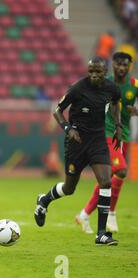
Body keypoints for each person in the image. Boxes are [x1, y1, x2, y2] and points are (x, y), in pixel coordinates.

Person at [33, 57, 122, 246]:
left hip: (98, 141)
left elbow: (115, 103)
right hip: (77, 142)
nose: (93, 75)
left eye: (97, 72)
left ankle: (101, 234)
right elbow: (57, 111)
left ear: (104, 73)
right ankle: (44, 199)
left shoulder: (111, 88)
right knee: (69, 188)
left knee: (106, 182)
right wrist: (68, 129)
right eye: (90, 71)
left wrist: (118, 125)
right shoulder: (78, 88)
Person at [76, 52, 138, 234]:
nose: (121, 67)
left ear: (130, 66)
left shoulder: (134, 85)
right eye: (118, 64)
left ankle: (84, 214)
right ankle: (111, 213)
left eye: (124, 64)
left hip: (124, 134)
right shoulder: (104, 82)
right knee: (122, 170)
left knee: (108, 179)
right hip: (105, 133)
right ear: (113, 65)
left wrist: (134, 111)